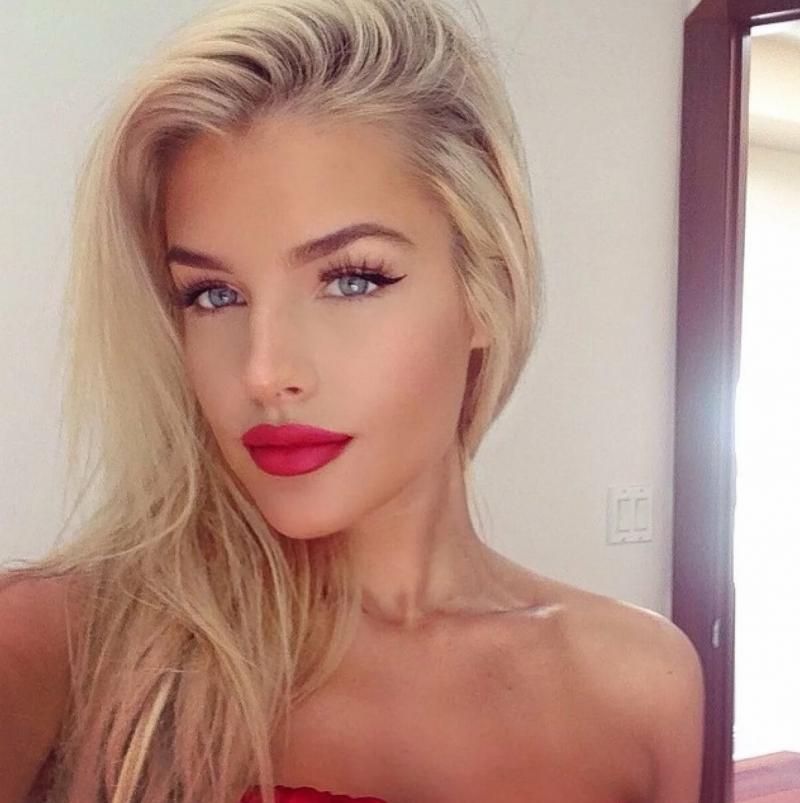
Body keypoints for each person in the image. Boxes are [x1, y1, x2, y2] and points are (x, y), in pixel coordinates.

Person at [0, 1, 705, 801]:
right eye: (212, 294)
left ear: (487, 289)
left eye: (351, 279)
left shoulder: (641, 684)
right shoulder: (58, 647)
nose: (264, 370)